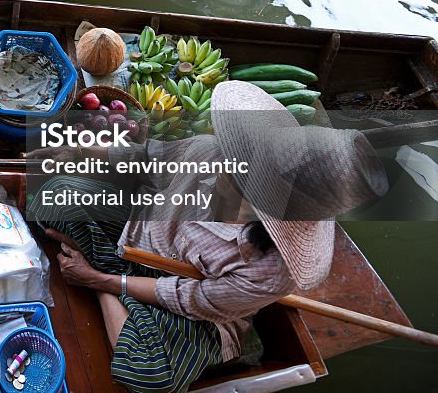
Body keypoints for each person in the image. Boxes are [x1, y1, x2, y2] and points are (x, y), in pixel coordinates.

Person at [28, 81, 389, 393]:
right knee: (52, 196)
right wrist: (74, 152)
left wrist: (99, 280)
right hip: (141, 235)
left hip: (192, 305)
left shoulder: (273, 270)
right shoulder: (211, 153)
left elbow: (190, 298)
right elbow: (145, 160)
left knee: (150, 376)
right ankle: (111, 278)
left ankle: (100, 277)